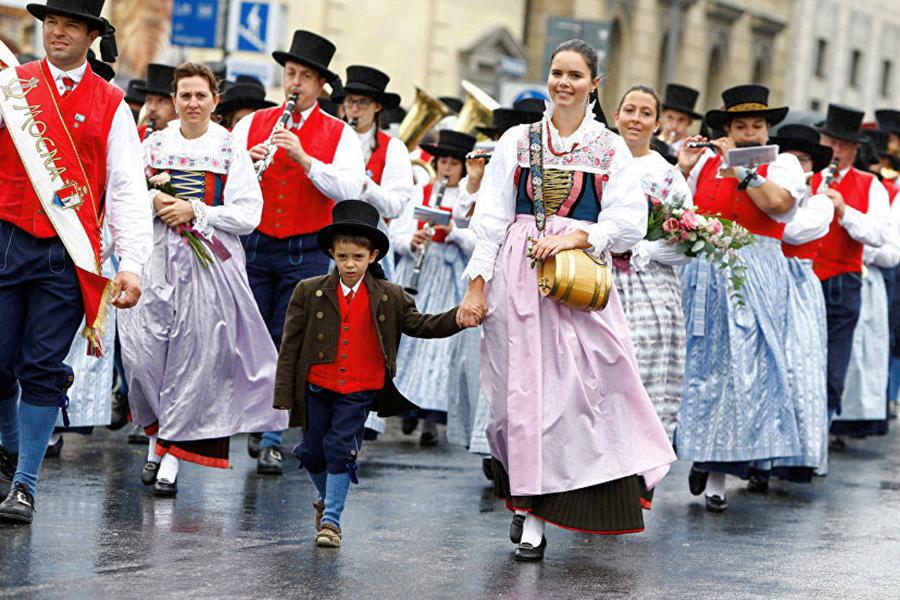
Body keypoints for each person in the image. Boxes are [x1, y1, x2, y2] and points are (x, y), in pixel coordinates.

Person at [457, 39, 675, 561]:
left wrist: (580, 236)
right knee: (516, 398)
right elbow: (490, 218)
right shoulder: (517, 139)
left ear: (594, 85)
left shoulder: (609, 148)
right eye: (556, 72)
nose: (564, 83)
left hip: (577, 283)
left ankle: (552, 507)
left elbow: (624, 224)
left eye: (576, 75)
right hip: (517, 274)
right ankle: (525, 502)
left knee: (583, 391)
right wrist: (476, 283)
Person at [0, 0, 152, 524]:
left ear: (91, 36)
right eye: (51, 23)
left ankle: (24, 485)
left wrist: (131, 263)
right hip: (5, 239)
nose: (56, 33)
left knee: (42, 368)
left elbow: (130, 190)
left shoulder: (112, 104)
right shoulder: (13, 85)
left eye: (69, 25)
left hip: (69, 256)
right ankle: (10, 444)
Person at [118, 62, 288, 497]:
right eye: (185, 95)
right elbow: (125, 194)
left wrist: (197, 210)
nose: (192, 103)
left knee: (193, 361)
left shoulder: (229, 148)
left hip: (208, 263)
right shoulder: (153, 144)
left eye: (201, 95)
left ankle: (171, 453)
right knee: (143, 358)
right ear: (174, 99)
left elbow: (249, 214)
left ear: (215, 101)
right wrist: (155, 196)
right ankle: (157, 437)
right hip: (157, 261)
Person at [274, 200, 467, 547]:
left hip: (360, 388)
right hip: (317, 386)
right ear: (332, 253)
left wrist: (458, 317)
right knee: (313, 452)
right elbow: (290, 346)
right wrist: (283, 392)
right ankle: (326, 500)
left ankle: (331, 521)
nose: (350, 265)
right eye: (343, 256)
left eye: (358, 258)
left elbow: (419, 325)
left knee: (339, 448)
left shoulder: (390, 296)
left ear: (373, 256)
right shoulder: (309, 290)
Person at [232, 30, 365, 475]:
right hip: (255, 242)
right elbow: (227, 178)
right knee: (249, 336)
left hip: (305, 249)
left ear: (321, 85)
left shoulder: (340, 134)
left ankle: (271, 434)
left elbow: (350, 190)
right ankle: (253, 414)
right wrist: (247, 165)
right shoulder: (253, 123)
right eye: (290, 74)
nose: (295, 84)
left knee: (284, 340)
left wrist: (306, 159)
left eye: (305, 77)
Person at [675, 84, 807, 512]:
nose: (749, 133)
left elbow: (778, 206)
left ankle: (718, 468)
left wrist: (741, 168)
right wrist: (683, 169)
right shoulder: (705, 163)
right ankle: (702, 452)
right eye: (740, 125)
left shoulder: (783, 164)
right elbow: (681, 214)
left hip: (753, 270)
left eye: (756, 125)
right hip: (705, 272)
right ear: (727, 127)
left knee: (743, 367)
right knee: (701, 364)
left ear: (768, 129)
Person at [611, 84, 693, 438]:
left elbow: (687, 243)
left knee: (643, 374)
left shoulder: (667, 175)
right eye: (630, 110)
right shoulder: (595, 161)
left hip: (649, 286)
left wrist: (642, 248)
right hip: (593, 277)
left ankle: (641, 477)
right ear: (616, 117)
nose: (636, 119)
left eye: (646, 113)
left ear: (658, 124)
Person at [339, 64, 414, 439]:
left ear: (377, 108)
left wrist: (363, 184)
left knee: (369, 330)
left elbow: (398, 203)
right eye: (350, 101)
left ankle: (365, 414)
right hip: (333, 248)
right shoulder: (336, 138)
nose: (354, 109)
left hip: (374, 248)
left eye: (362, 103)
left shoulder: (394, 149)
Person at [809, 104, 891, 439]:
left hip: (843, 281)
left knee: (833, 370)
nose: (836, 152)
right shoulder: (807, 177)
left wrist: (845, 210)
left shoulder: (869, 184)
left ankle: (820, 441)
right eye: (831, 143)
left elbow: (877, 236)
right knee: (799, 364)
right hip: (804, 278)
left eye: (843, 146)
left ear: (855, 149)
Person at [391, 130, 477, 446]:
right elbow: (395, 233)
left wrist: (454, 231)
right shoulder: (419, 191)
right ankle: (407, 408)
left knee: (439, 348)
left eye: (454, 163)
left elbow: (479, 243)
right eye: (443, 161)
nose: (447, 168)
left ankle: (431, 418)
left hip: (450, 275)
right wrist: (409, 242)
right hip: (419, 273)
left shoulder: (470, 198)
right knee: (410, 344)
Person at [775, 124, 836, 480]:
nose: (796, 165)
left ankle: (794, 455)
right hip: (765, 276)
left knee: (798, 366)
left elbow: (793, 230)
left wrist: (788, 196)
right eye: (789, 159)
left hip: (798, 283)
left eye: (802, 160)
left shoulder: (821, 201)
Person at [135, 63, 176, 140]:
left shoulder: (187, 141)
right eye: (148, 100)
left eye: (162, 101)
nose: (152, 108)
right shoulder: (136, 136)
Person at [659, 83, 702, 155]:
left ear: (690, 122)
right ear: (662, 116)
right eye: (670, 117)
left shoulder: (693, 151)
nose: (674, 126)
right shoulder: (648, 144)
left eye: (681, 120)